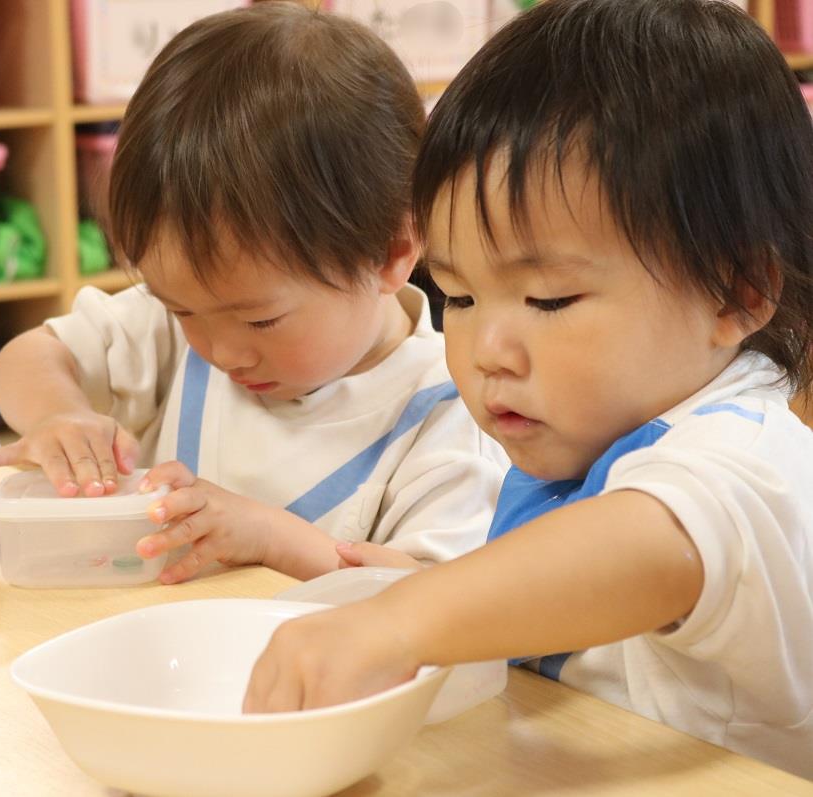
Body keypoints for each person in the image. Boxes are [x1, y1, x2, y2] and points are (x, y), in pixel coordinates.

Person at [244, 0, 813, 777]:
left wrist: (405, 618)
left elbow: (649, 546)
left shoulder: (746, 459)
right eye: (459, 297)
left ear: (735, 292)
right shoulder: (589, 433)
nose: (487, 352)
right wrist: (436, 600)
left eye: (548, 299)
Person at [0, 2, 506, 584]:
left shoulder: (450, 418)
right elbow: (30, 355)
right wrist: (60, 414)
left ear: (388, 253)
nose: (221, 352)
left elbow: (436, 597)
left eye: (260, 321)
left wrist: (272, 539)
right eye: (182, 309)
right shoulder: (180, 332)